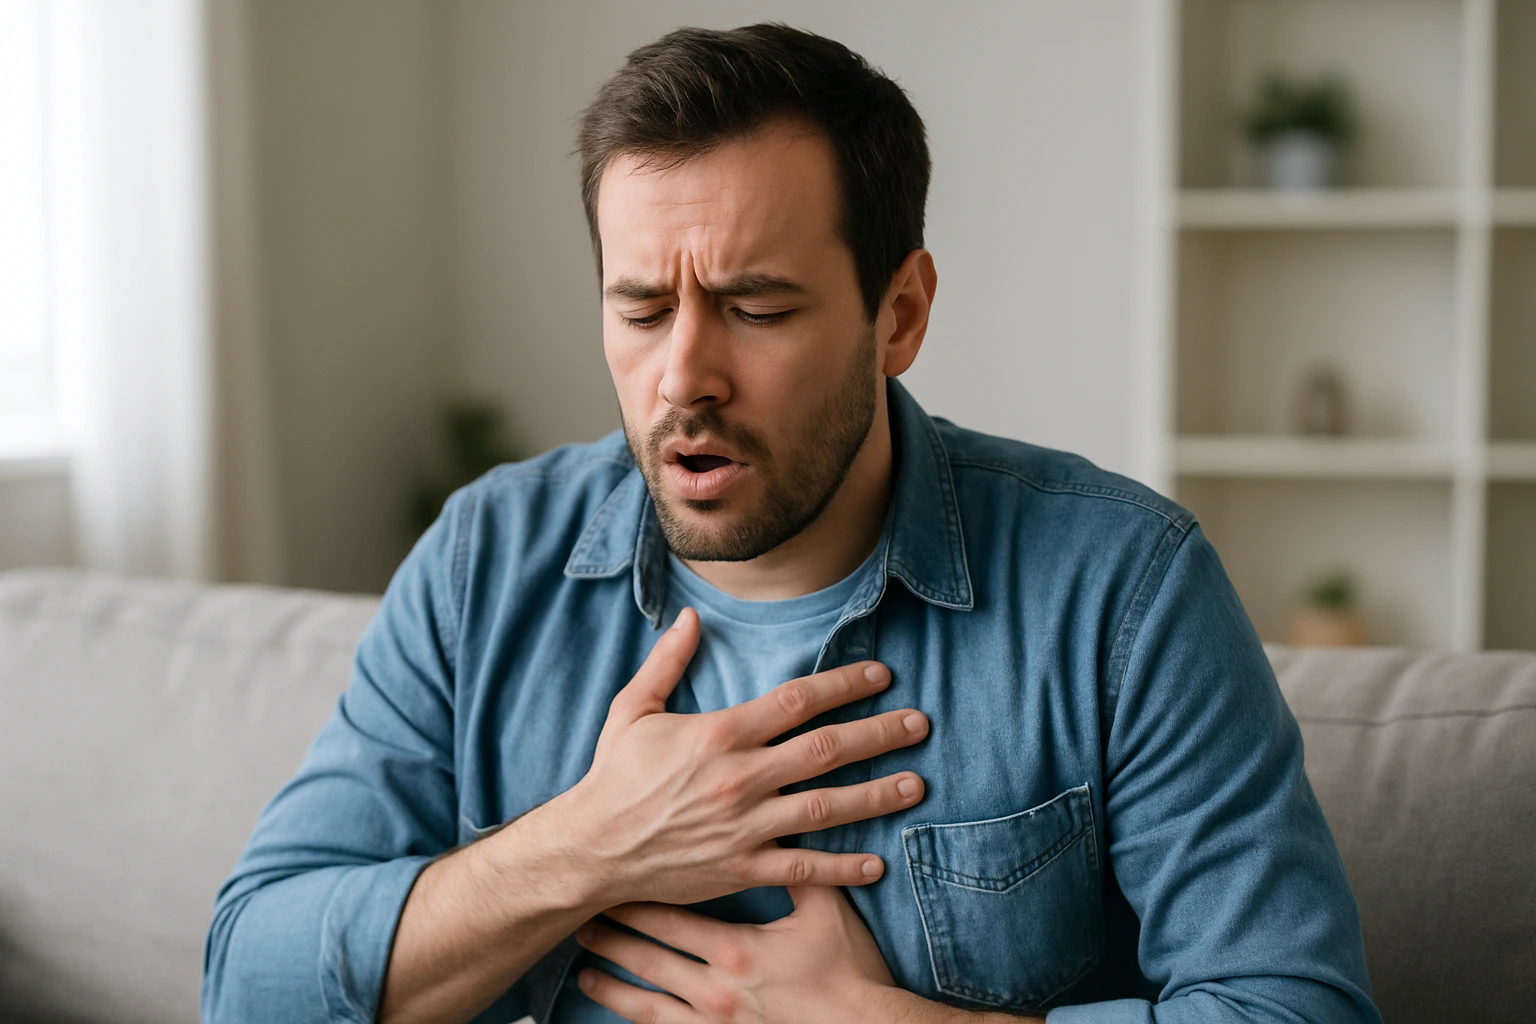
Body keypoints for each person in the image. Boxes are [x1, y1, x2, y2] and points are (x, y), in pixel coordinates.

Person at [202, 23, 1381, 1024]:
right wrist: (591, 843)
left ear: (898, 315)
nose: (683, 377)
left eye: (754, 307)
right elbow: (249, 981)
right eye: (641, 309)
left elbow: (1294, 1005)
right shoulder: (484, 563)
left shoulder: (1122, 590)